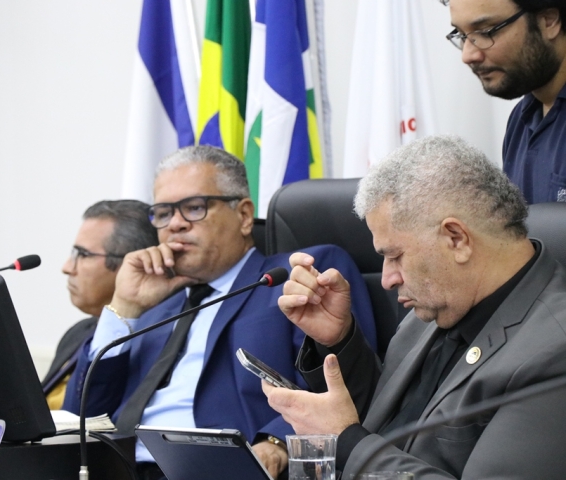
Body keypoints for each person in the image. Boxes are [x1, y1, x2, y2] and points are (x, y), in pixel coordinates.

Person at [62, 145, 377, 480]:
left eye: (194, 208)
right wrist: (125, 307)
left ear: (244, 215)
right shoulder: (154, 307)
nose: (175, 225)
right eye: (163, 213)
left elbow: (339, 385)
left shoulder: (294, 276)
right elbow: (82, 418)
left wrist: (276, 443)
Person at [263, 134, 566, 479]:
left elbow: (361, 441)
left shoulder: (554, 349)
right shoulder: (433, 307)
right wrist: (339, 341)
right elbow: (386, 423)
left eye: (395, 256)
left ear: (456, 239)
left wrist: (346, 441)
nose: (387, 279)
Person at [42, 200, 158, 410]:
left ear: (131, 264)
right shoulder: (79, 332)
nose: (67, 267)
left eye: (83, 254)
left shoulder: (153, 341)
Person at [447, 0, 566, 204]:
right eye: (462, 35)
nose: (467, 55)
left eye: (486, 32)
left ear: (548, 21)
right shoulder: (521, 118)